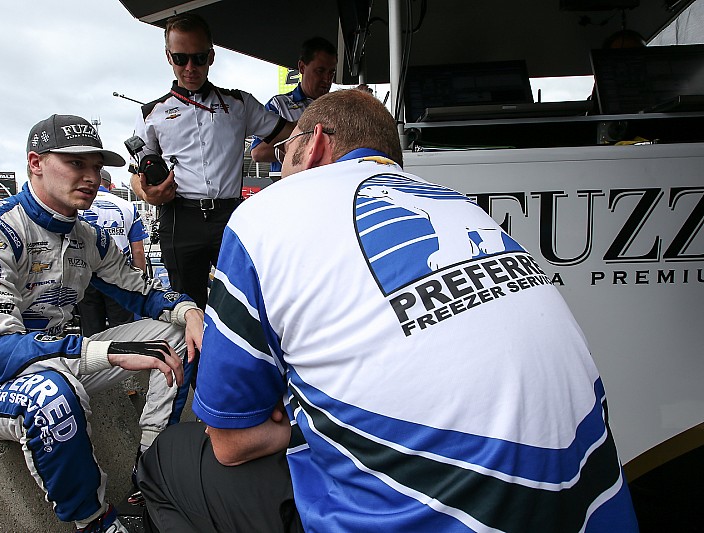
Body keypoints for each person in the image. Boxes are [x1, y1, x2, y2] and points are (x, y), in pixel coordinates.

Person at [137, 89, 639, 532]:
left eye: (284, 156)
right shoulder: (465, 207)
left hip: (423, 514)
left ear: (312, 147)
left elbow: (229, 440)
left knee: (170, 459)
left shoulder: (269, 213)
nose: (278, 171)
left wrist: (298, 416)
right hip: (596, 505)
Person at [0, 114, 204, 533]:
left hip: (59, 360)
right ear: (35, 163)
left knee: (178, 335)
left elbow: (143, 292)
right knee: (51, 394)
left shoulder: (87, 236)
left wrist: (188, 310)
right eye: (77, 164)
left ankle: (149, 476)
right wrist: (99, 350)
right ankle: (95, 523)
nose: (91, 176)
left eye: (96, 166)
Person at [129, 12, 295, 311]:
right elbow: (135, 172)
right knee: (187, 306)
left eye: (199, 57)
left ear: (212, 56)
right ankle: (195, 360)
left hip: (229, 214)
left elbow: (294, 135)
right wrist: (146, 193)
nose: (190, 67)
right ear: (169, 57)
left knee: (248, 301)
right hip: (180, 217)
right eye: (181, 58)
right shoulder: (151, 114)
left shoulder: (240, 104)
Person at [249, 37, 338, 177]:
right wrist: (305, 143)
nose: (327, 80)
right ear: (302, 67)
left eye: (331, 73)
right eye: (320, 71)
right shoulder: (279, 105)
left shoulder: (337, 108)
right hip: (289, 186)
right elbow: (258, 152)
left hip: (326, 182)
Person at [77, 168, 148, 336]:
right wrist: (140, 283)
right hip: (120, 276)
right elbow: (138, 251)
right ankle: (124, 361)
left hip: (85, 276)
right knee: (123, 330)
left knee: (91, 333)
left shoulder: (78, 204)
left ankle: (94, 361)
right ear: (111, 186)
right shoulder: (128, 206)